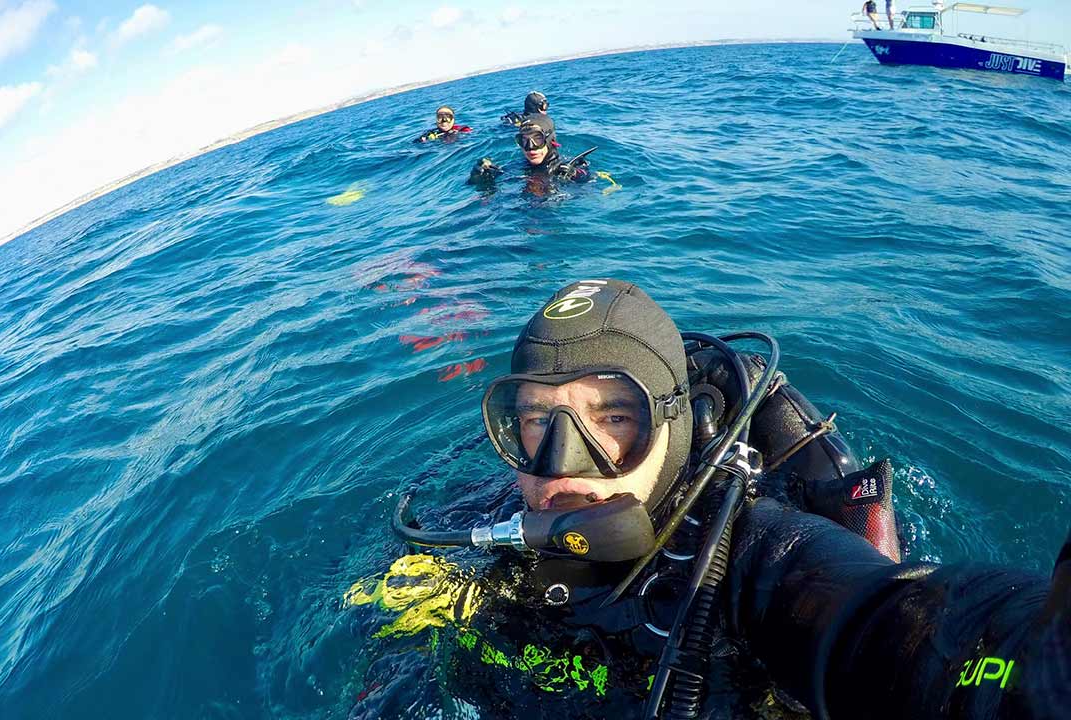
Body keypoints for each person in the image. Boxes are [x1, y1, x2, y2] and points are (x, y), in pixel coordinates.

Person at [349, 279, 1071, 719]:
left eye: (613, 417)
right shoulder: (480, 529)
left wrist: (1036, 669)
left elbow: (890, 628)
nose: (564, 464)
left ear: (678, 424)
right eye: (538, 420)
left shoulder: (755, 552)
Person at [467, 120, 593, 189]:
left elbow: (590, 181)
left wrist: (576, 175)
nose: (530, 147)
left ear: (550, 141)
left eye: (537, 139)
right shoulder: (514, 167)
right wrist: (478, 178)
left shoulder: (569, 166)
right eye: (523, 141)